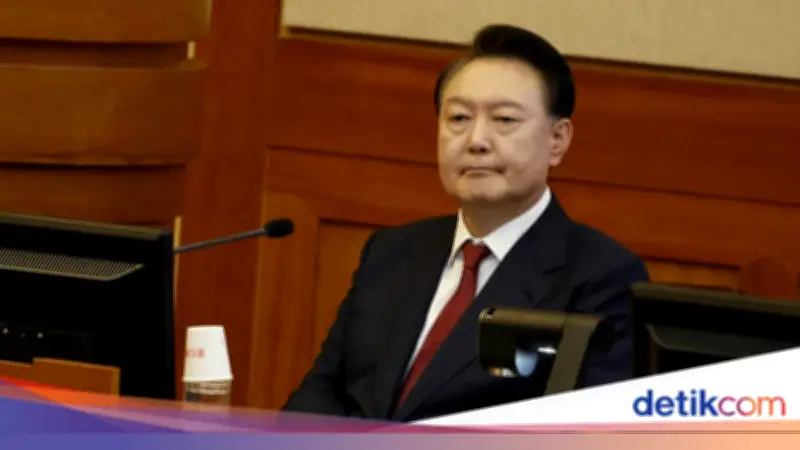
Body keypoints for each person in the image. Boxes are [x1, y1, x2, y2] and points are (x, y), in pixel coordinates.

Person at [282, 23, 649, 422]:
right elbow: (319, 395)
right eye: (458, 117)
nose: (476, 140)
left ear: (557, 140)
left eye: (504, 119)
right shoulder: (391, 252)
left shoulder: (602, 278)